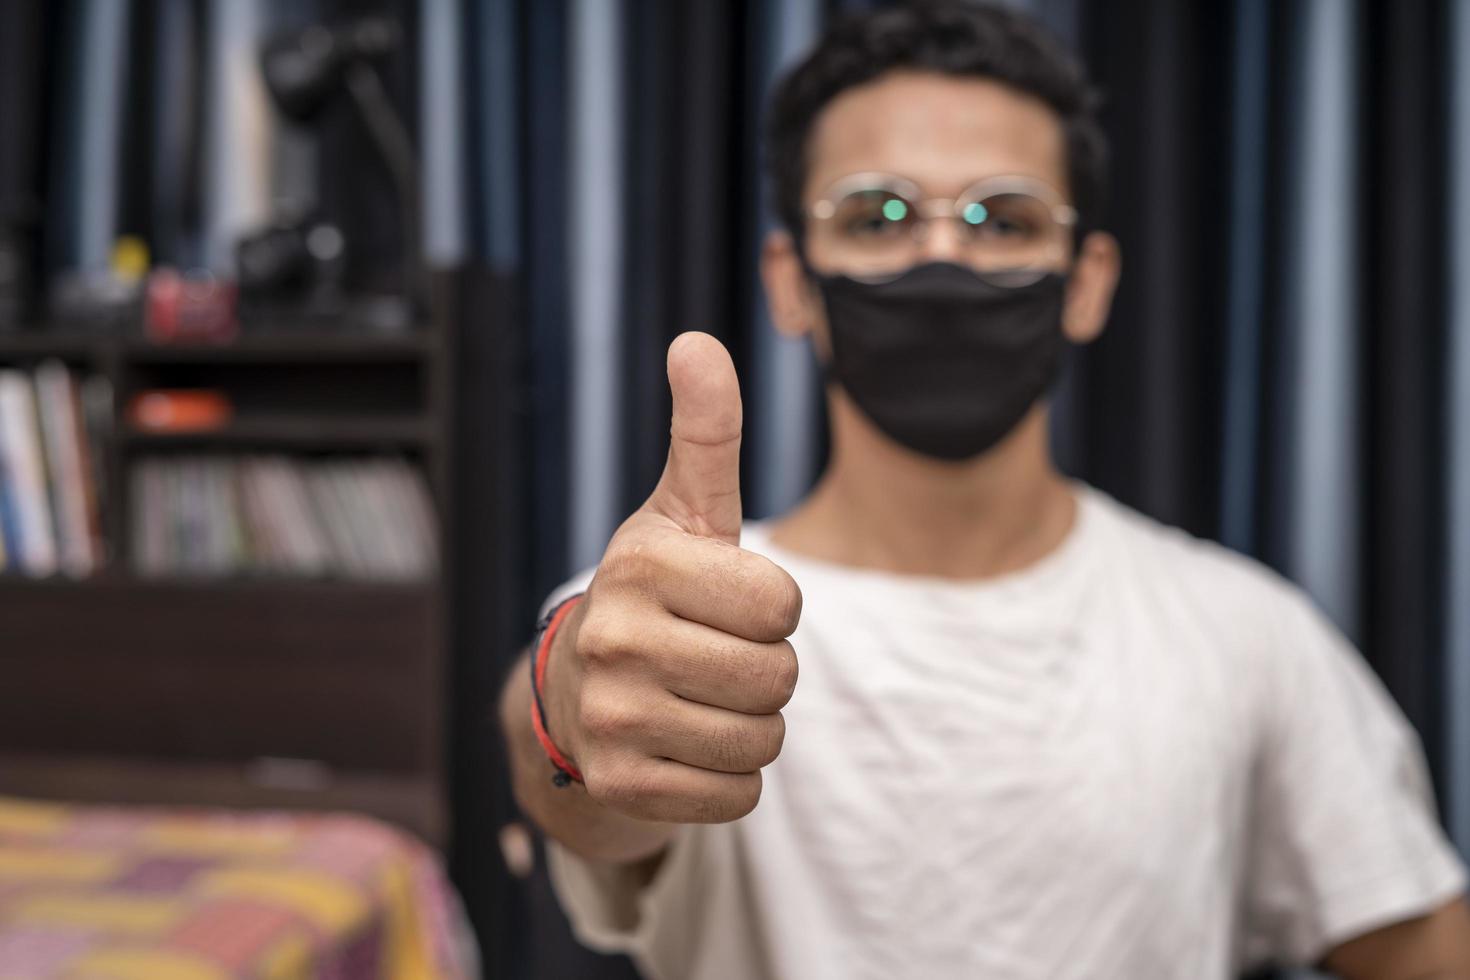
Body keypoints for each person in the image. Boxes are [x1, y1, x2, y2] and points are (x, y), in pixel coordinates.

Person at [499, 3, 1470, 977]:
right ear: (790, 278)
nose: (943, 257)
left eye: (1003, 218)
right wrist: (568, 706)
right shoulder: (669, 621)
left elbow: (1425, 945)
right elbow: (579, 758)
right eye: (876, 214)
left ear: (1087, 281)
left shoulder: (1247, 633)